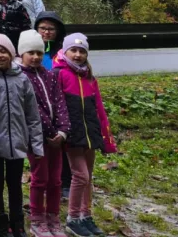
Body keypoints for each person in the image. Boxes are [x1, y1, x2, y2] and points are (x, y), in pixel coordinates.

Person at [53, 34, 116, 237]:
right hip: (72, 135)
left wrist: (105, 136)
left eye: (82, 51)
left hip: (90, 134)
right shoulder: (59, 74)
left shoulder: (89, 77)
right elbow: (57, 105)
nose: (78, 55)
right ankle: (72, 219)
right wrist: (60, 129)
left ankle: (85, 215)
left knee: (88, 178)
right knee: (80, 175)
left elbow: (99, 108)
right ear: (65, 51)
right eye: (74, 50)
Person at [0, 34, 43, 237]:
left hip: (17, 143)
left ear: (11, 53)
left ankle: (18, 224)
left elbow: (32, 115)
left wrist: (36, 144)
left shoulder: (22, 79)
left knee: (15, 185)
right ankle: (1, 224)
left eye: (3, 51)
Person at [18, 30, 71, 237]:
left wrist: (63, 132)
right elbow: (33, 110)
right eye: (30, 52)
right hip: (37, 138)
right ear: (22, 54)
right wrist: (50, 131)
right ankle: (37, 218)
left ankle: (53, 217)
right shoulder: (21, 78)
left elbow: (60, 104)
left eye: (39, 53)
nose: (35, 57)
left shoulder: (49, 75)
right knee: (40, 178)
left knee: (56, 180)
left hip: (57, 139)